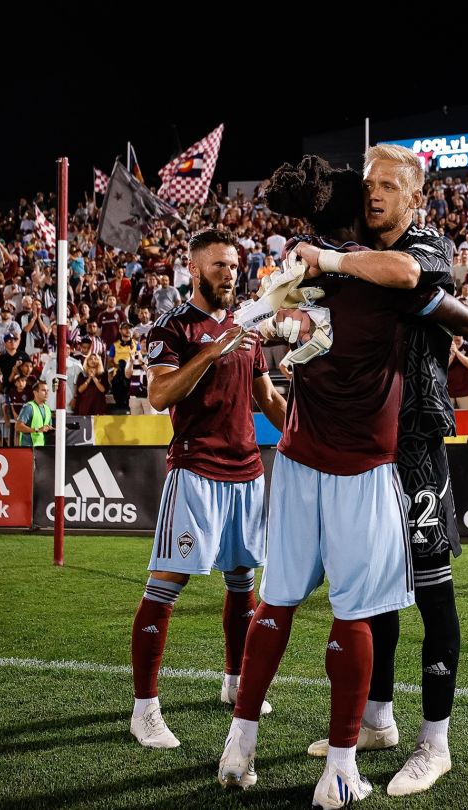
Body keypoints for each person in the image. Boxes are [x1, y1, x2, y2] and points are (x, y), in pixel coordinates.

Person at [221, 148, 468, 807]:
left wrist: (451, 311)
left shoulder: (422, 245)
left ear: (415, 197)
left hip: (414, 442)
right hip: (363, 447)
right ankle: (377, 720)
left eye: (392, 185)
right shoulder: (348, 249)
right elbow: (296, 305)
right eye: (371, 184)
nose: (377, 194)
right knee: (373, 596)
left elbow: (413, 281)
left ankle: (436, 743)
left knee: (431, 591)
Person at [129, 228, 287, 750]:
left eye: (234, 264)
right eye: (220, 265)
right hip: (196, 470)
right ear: (195, 269)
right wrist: (212, 352)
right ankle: (145, 708)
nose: (230, 272)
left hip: (247, 471)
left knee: (242, 582)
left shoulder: (249, 326)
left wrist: (306, 435)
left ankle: (235, 682)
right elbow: (159, 394)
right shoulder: (172, 326)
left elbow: (265, 395)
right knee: (166, 585)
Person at [15, 381, 52, 447]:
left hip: (41, 448)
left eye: (47, 390)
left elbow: (47, 427)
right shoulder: (29, 407)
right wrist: (37, 429)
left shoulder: (47, 409)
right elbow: (18, 426)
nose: (46, 393)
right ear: (35, 393)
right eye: (43, 390)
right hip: (28, 448)